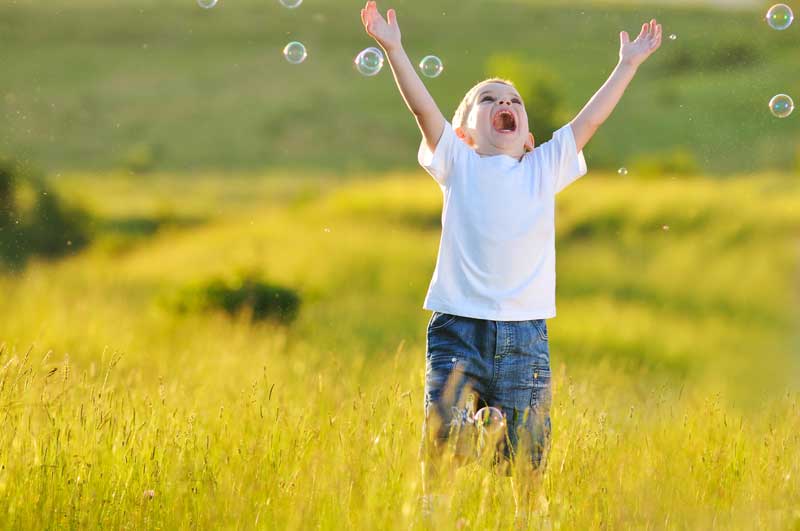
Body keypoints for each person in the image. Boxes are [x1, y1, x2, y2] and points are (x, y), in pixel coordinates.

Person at [360, 0, 663, 522]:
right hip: (458, 327)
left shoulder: (542, 167)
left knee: (527, 452)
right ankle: (436, 512)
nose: (506, 102)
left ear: (527, 136)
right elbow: (423, 110)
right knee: (443, 436)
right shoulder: (457, 162)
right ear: (464, 133)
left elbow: (590, 119)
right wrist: (395, 49)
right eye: (488, 99)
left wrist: (627, 64)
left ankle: (527, 515)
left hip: (524, 335)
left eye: (515, 101)